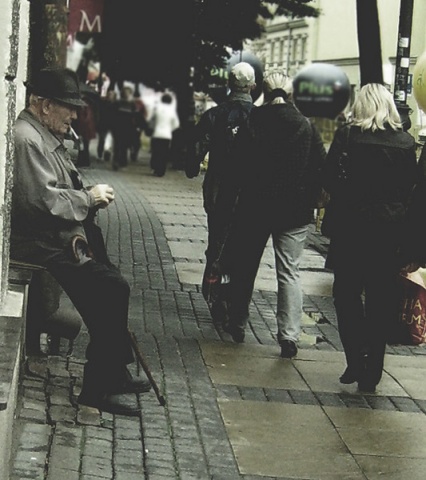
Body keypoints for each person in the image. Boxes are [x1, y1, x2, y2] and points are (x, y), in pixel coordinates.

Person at [10, 67, 151, 416]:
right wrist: (88, 198)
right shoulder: (27, 138)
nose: (74, 114)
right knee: (111, 288)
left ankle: (113, 372)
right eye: (67, 107)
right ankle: (96, 391)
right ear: (42, 105)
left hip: (54, 238)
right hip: (40, 242)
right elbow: (42, 202)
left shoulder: (42, 134)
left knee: (107, 286)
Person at [321, 83, 418, 393]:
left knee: (346, 296)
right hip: (388, 233)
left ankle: (354, 356)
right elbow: (409, 191)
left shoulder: (348, 136)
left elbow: (329, 178)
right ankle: (372, 369)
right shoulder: (405, 143)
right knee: (381, 300)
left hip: (351, 230)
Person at [223, 71, 326, 355]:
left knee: (246, 267)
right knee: (289, 272)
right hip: (295, 211)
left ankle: (238, 322)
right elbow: (321, 166)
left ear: (264, 93)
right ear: (290, 94)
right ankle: (289, 335)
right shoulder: (306, 125)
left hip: (255, 207)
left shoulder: (253, 120)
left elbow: (238, 163)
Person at [185, 62, 256, 324]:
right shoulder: (259, 118)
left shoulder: (215, 115)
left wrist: (192, 167)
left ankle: (215, 294)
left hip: (218, 191)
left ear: (229, 84)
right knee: (244, 248)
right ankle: (236, 301)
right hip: (250, 194)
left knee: (216, 243)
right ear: (253, 86)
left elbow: (196, 148)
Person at [149, 92, 180, 176]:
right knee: (164, 153)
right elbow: (176, 124)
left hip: (157, 133)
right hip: (167, 135)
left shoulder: (157, 109)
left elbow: (152, 121)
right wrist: (170, 129)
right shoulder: (172, 111)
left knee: (156, 152)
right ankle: (161, 170)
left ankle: (155, 168)